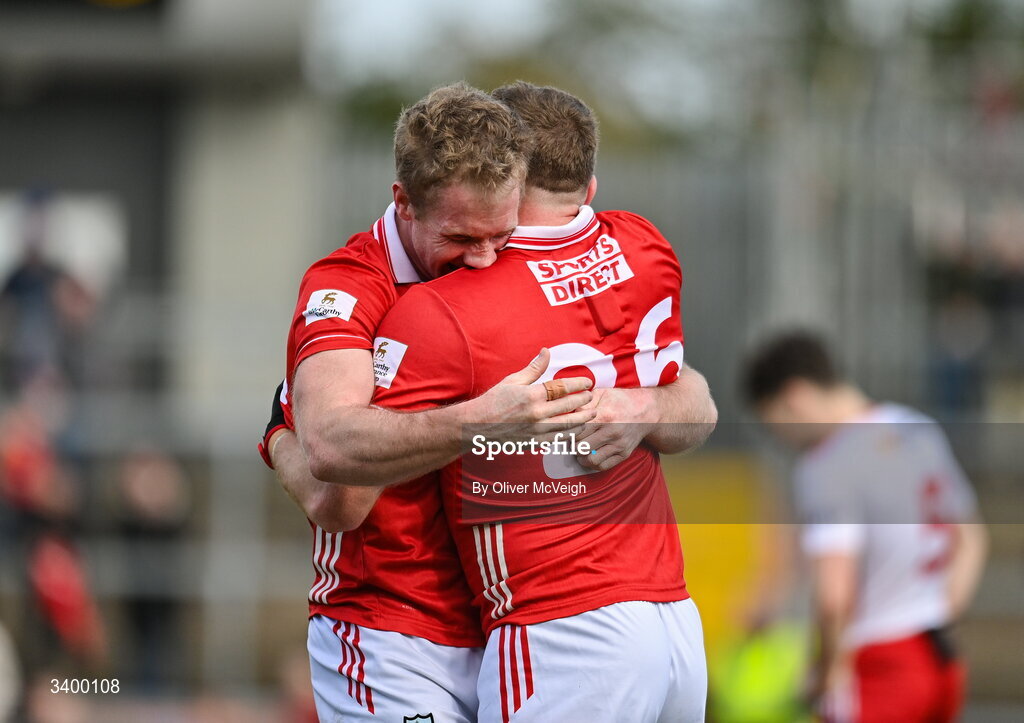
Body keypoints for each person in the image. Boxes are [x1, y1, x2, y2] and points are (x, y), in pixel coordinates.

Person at [265, 81, 716, 721]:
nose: (483, 260)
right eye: (461, 236)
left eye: (498, 235)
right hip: (395, 630)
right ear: (406, 204)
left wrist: (642, 409)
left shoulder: (507, 282)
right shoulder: (349, 288)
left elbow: (691, 394)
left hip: (507, 625)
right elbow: (336, 488)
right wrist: (282, 435)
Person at [741, 331, 988, 723]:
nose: (784, 441)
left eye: (776, 426)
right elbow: (971, 538)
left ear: (795, 397)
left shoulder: (827, 462)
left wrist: (824, 675)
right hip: (943, 660)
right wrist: (938, 612)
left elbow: (833, 594)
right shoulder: (916, 426)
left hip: (881, 667)